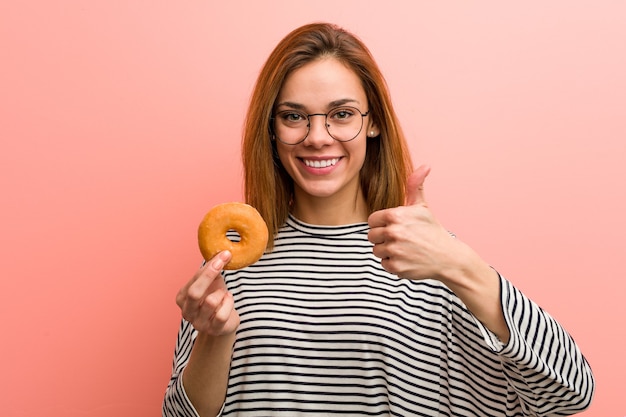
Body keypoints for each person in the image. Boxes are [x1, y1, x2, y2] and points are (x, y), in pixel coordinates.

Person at [163, 22, 594, 417]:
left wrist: (462, 266)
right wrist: (215, 337)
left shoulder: (424, 253)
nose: (317, 137)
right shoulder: (228, 265)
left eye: (342, 114)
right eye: (293, 116)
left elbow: (569, 393)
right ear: (272, 129)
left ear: (373, 124)